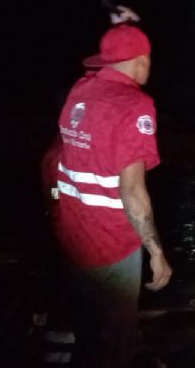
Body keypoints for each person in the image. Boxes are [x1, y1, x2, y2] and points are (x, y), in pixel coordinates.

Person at [51, 22, 172, 367]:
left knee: (88, 336)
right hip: (112, 247)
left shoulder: (80, 92)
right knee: (113, 347)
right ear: (141, 61)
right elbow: (133, 192)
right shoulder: (135, 105)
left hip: (74, 240)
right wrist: (156, 252)